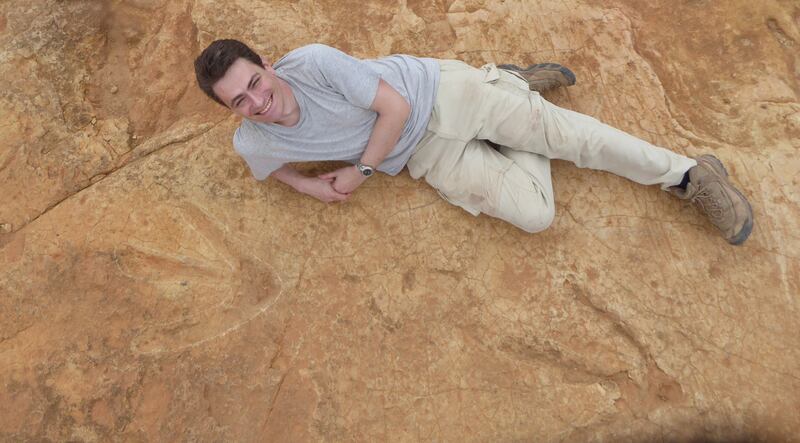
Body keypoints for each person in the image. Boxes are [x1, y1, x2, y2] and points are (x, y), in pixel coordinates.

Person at [194, 40, 754, 245]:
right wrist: (309, 186)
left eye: (255, 82)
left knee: (571, 139)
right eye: (239, 101)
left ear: (267, 64)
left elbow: (396, 107)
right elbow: (265, 168)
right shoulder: (254, 139)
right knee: (535, 215)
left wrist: (359, 173)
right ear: (231, 113)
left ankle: (689, 175)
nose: (257, 101)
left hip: (441, 95)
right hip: (422, 154)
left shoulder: (314, 63)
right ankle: (517, 90)